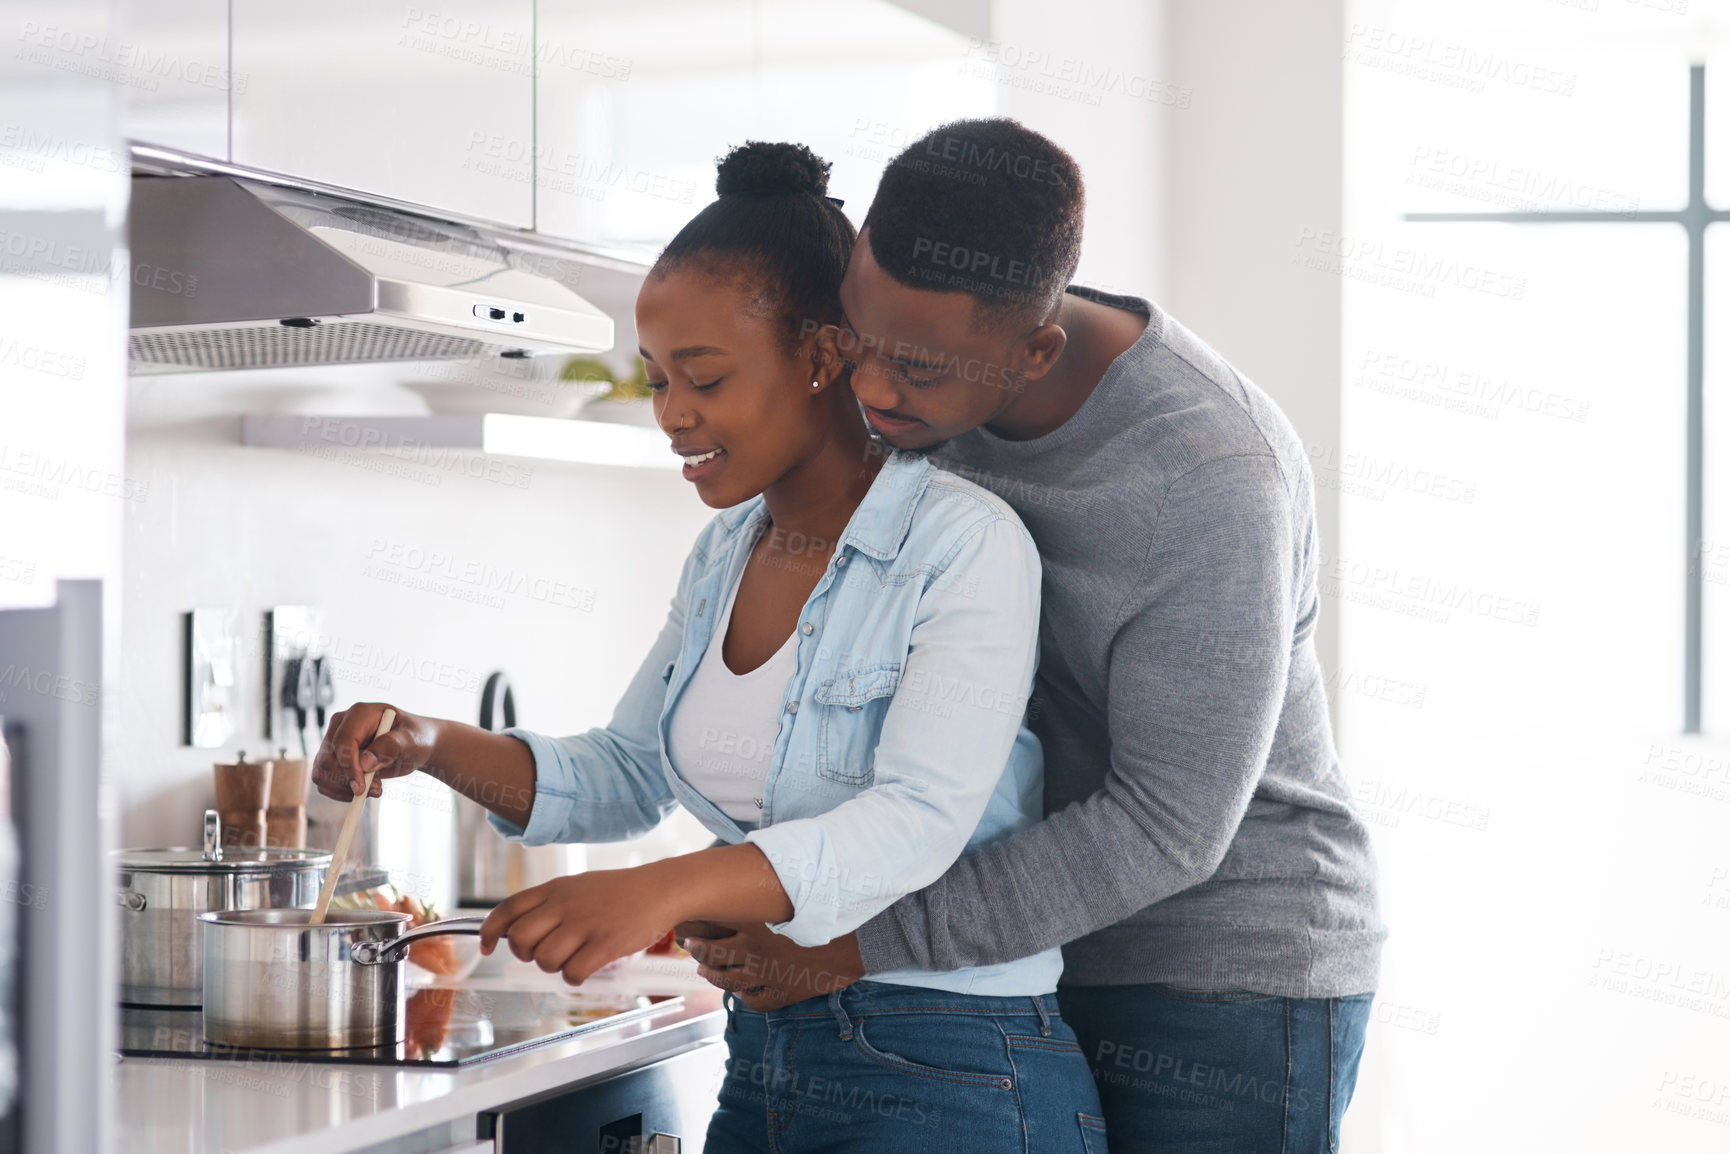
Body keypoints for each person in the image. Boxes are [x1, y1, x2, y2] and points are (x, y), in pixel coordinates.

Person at [312, 141, 1107, 1154]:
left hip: (953, 1065)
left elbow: (914, 822)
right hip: (769, 1057)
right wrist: (426, 742)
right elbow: (624, 771)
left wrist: (666, 885)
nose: (672, 415)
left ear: (821, 354)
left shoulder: (963, 545)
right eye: (655, 381)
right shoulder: (726, 550)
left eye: (704, 377)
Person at [678, 118, 1387, 1154]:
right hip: (1011, 953)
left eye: (916, 368)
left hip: (1217, 974)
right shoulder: (913, 383)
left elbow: (1167, 823)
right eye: (858, 339)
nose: (873, 391)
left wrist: (855, 943)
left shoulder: (1204, 476)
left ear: (1034, 348)